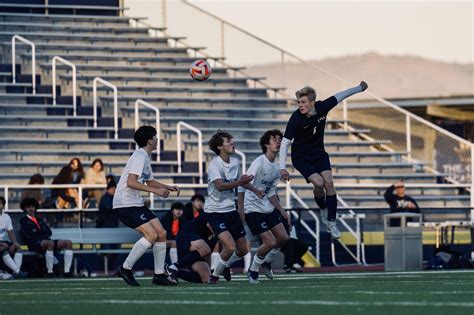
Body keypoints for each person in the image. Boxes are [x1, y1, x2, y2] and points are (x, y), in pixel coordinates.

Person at [279, 82, 369, 239]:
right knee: (319, 183)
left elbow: (341, 96)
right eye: (298, 102)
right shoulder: (296, 119)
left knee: (329, 183)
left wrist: (359, 88)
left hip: (319, 153)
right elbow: (286, 142)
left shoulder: (322, 107)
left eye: (303, 102)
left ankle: (332, 222)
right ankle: (322, 208)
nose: (300, 105)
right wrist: (282, 167)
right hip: (301, 157)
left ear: (312, 102)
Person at [113, 126, 179, 287]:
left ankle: (158, 275)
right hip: (125, 203)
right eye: (155, 137)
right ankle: (125, 268)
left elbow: (149, 181)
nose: (157, 140)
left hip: (135, 202)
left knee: (161, 233)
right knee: (151, 235)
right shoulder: (139, 156)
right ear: (149, 140)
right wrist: (156, 192)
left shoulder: (144, 156)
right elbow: (131, 182)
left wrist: (167, 186)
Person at [204, 130, 259, 284]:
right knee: (229, 247)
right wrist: (239, 182)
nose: (232, 143)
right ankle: (214, 276)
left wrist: (255, 190)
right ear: (220, 147)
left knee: (243, 250)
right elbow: (220, 186)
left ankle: (226, 264)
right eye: (228, 141)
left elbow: (239, 182)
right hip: (215, 211)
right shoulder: (214, 164)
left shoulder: (235, 162)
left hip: (230, 210)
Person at [238, 129, 290, 284]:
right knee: (270, 242)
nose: (279, 142)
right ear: (266, 144)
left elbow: (271, 192)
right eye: (275, 139)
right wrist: (255, 191)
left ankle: (266, 261)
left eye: (280, 139)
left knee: (283, 237)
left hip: (267, 207)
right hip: (252, 208)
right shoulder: (259, 162)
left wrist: (282, 210)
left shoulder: (276, 168)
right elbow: (243, 181)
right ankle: (253, 270)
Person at [19, 198, 74, 277]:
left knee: (68, 243)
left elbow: (48, 232)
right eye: (28, 207)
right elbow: (29, 234)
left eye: (32, 206)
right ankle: (50, 271)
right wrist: (40, 233)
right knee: (50, 243)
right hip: (34, 243)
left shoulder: (39, 220)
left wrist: (38, 232)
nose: (31, 209)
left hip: (45, 241)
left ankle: (67, 271)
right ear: (24, 208)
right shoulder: (23, 220)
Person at [166, 214, 217, 283]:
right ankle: (174, 267)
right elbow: (209, 224)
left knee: (207, 278)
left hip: (197, 250)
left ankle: (172, 271)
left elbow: (208, 254)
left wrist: (209, 270)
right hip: (186, 237)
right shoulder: (217, 213)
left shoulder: (214, 238)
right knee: (205, 249)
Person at [0, 197, 28, 279]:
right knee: (3, 248)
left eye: (0, 203)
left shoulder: (6, 217)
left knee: (18, 247)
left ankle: (15, 273)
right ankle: (18, 272)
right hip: (2, 244)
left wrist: (14, 242)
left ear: (3, 205)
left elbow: (10, 232)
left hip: (2, 242)